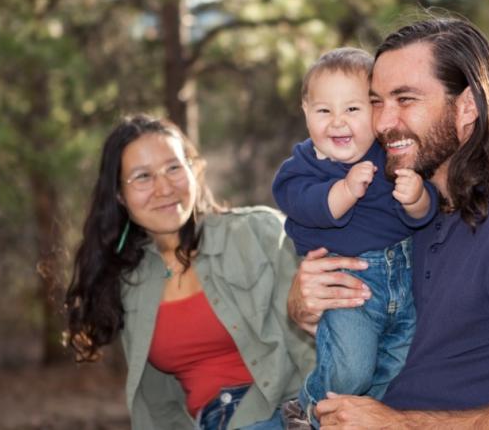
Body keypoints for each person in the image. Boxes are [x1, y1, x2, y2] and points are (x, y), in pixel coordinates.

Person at [287, 15, 489, 429]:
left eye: (405, 100)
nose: (383, 122)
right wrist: (306, 304)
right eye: (376, 101)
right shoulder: (405, 203)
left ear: (467, 107)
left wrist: (399, 426)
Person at [65, 114, 315, 430]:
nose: (163, 188)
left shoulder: (259, 232)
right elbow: (158, 406)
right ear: (119, 196)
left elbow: (318, 342)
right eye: (142, 177)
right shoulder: (130, 283)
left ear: (193, 170)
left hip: (287, 413)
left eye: (173, 168)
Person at [272, 48, 436, 426]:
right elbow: (309, 206)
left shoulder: (390, 158)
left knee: (398, 367)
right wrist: (345, 189)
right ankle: (310, 405)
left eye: (353, 109)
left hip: (404, 282)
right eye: (324, 111)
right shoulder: (302, 168)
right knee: (352, 370)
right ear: (305, 111)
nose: (337, 123)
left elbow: (422, 216)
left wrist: (416, 198)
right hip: (351, 290)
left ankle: (351, 420)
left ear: (376, 113)